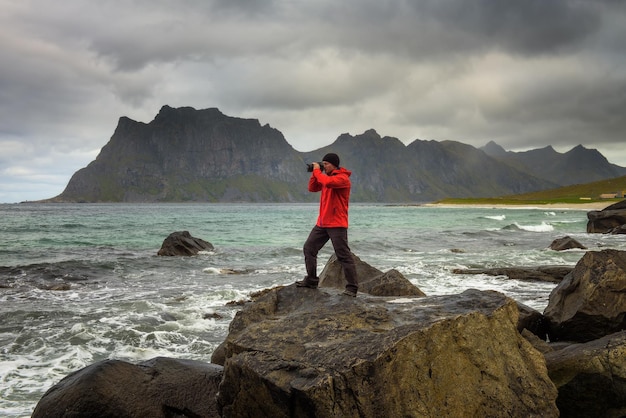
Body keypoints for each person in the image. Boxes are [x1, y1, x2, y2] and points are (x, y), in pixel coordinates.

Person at [296, 153, 359, 297]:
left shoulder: (342, 179)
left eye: (326, 164)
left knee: (343, 255)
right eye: (323, 163)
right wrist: (314, 173)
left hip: (337, 223)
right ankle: (311, 280)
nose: (324, 166)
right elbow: (312, 188)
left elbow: (328, 183)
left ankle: (352, 287)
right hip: (323, 222)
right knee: (309, 248)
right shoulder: (325, 177)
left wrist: (318, 170)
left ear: (334, 164)